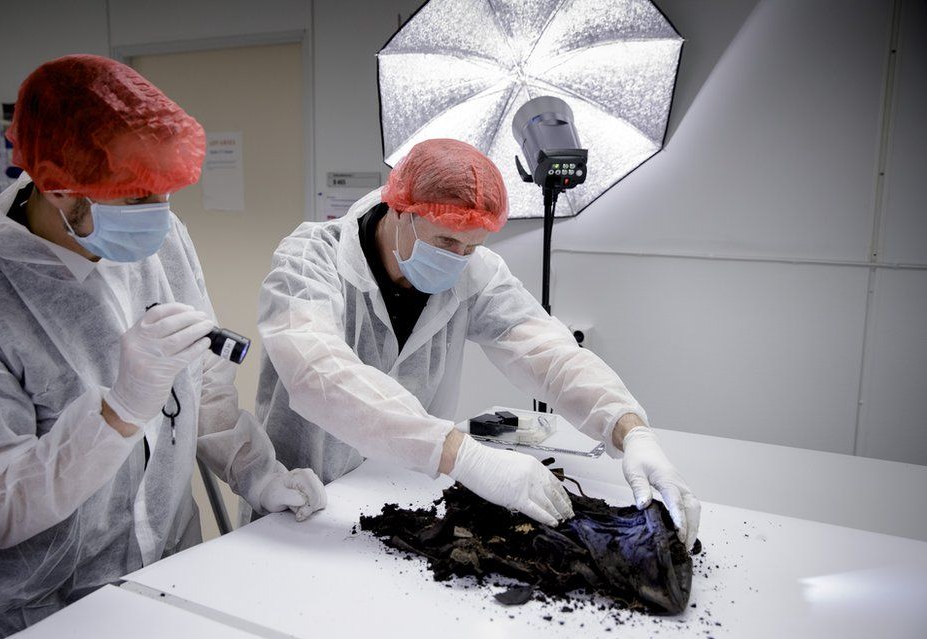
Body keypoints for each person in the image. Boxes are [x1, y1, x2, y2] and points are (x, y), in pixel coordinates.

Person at [0, 55, 325, 638]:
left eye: (163, 193)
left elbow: (205, 391)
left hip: (170, 573)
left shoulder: (163, 239)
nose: (157, 217)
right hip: (45, 607)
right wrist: (118, 412)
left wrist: (258, 474)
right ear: (56, 186)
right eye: (133, 198)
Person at [256, 138, 699, 545]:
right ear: (398, 209)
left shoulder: (476, 274)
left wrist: (631, 429)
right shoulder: (311, 258)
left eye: (471, 247)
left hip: (398, 492)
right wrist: (464, 457)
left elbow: (550, 353)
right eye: (446, 240)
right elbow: (318, 374)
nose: (457, 260)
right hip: (304, 499)